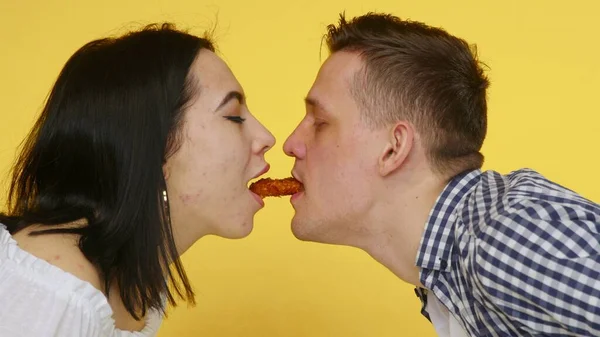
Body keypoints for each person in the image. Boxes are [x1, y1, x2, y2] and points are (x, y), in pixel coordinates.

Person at [283, 12, 600, 337]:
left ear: (393, 148)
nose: (291, 144)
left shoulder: (503, 239)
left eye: (320, 122)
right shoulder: (447, 280)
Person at [0, 23, 275, 337]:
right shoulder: (55, 290)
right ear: (153, 147)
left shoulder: (139, 289)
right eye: (234, 116)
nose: (266, 138)